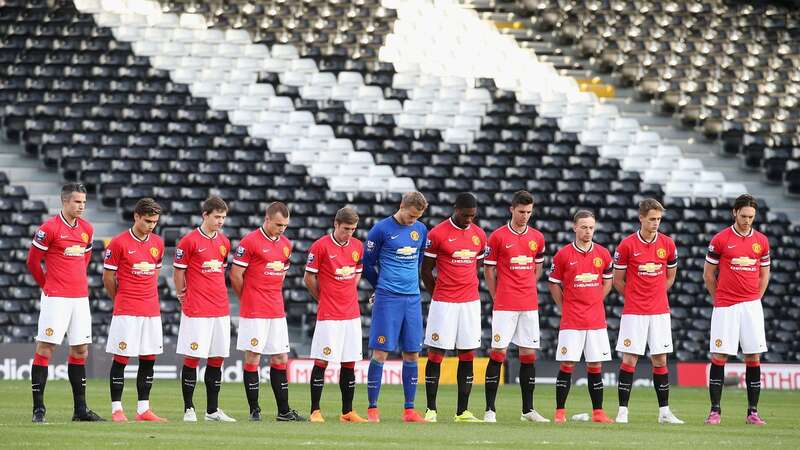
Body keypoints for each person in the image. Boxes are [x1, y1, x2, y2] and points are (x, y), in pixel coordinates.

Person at [27, 183, 104, 422]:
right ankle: (38, 409)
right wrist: (48, 286)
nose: (81, 206)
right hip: (56, 298)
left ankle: (80, 410)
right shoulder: (49, 228)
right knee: (46, 348)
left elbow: (86, 259)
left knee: (81, 350)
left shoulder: (87, 229)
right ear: (65, 202)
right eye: (77, 202)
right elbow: (33, 262)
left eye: (83, 202)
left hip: (80, 298)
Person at [230, 202, 305, 422]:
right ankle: (255, 410)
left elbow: (281, 274)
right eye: (278, 224)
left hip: (276, 309)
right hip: (254, 310)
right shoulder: (249, 242)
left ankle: (284, 411)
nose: (282, 229)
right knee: (253, 355)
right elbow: (236, 275)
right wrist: (248, 298)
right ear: (267, 219)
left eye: (285, 225)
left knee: (280, 356)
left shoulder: (286, 245)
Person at [612, 198, 683, 424]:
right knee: (630, 358)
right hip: (635, 311)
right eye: (652, 219)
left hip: (660, 311)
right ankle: (623, 411)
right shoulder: (626, 245)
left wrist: (657, 294)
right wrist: (636, 296)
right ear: (641, 218)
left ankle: (664, 412)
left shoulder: (668, 244)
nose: (656, 223)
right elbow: (617, 280)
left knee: (660, 360)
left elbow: (670, 275)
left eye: (659, 219)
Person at [703, 194, 770, 425]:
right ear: (734, 213)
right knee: (720, 355)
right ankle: (715, 411)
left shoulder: (761, 241)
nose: (747, 220)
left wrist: (755, 300)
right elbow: (708, 275)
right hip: (726, 305)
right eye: (743, 216)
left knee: (753, 356)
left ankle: (753, 412)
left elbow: (764, 274)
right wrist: (719, 298)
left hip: (751, 306)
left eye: (751, 217)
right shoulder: (720, 239)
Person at [482, 190, 549, 423]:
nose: (525, 216)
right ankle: (490, 410)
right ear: (511, 209)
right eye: (521, 212)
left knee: (528, 355)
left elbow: (537, 267)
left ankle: (528, 410)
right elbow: (488, 271)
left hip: (529, 304)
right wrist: (496, 295)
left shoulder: (538, 238)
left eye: (529, 212)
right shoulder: (498, 237)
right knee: (498, 352)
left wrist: (529, 285)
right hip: (505, 304)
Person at [363, 192, 429, 423]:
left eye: (417, 217)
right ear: (402, 206)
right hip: (388, 299)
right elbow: (367, 265)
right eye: (411, 216)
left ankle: (409, 410)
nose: (413, 221)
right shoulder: (380, 230)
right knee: (380, 352)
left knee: (412, 353)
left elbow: (420, 259)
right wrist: (379, 286)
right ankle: (373, 409)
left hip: (411, 298)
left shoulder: (420, 230)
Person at [421, 192, 487, 423]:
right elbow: (426, 271)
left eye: (473, 216)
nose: (469, 219)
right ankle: (431, 409)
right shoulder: (437, 234)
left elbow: (476, 264)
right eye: (466, 215)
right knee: (436, 353)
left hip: (469, 302)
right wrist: (438, 293)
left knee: (467, 354)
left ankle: (462, 411)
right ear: (455, 209)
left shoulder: (479, 235)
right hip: (444, 303)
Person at [103, 198, 167, 422]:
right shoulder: (118, 243)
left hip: (150, 309)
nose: (151, 225)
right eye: (148, 220)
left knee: (148, 359)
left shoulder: (158, 243)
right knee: (121, 358)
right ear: (136, 217)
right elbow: (108, 277)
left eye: (155, 222)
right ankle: (117, 409)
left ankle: (143, 410)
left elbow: (155, 273)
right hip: (127, 309)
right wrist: (120, 298)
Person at [548, 210, 614, 424]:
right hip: (572, 319)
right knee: (568, 364)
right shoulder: (563, 255)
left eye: (591, 227)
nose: (588, 231)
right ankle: (560, 412)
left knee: (595, 366)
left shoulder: (603, 254)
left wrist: (595, 299)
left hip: (595, 320)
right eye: (584, 227)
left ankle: (598, 413)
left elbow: (608, 281)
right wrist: (564, 305)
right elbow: (553, 283)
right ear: (574, 227)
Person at [174, 196, 235, 422]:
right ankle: (189, 409)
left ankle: (212, 411)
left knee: (217, 358)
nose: (220, 221)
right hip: (197, 309)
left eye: (223, 217)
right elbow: (178, 273)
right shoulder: (189, 241)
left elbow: (221, 271)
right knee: (193, 357)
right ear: (205, 215)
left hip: (220, 308)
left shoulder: (224, 242)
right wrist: (183, 297)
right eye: (217, 217)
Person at [304, 207, 367, 423]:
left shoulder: (358, 246)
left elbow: (357, 273)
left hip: (351, 314)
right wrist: (323, 298)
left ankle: (347, 412)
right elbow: (309, 278)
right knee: (322, 361)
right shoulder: (320, 246)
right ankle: (315, 411)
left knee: (349, 363)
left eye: (353, 229)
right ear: (336, 224)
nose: (349, 233)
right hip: (329, 315)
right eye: (346, 228)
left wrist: (347, 293)